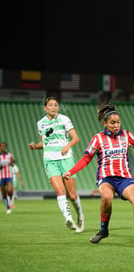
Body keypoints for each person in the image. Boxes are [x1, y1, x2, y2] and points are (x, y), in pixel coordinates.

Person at [63, 103, 134, 244]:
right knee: (106, 197)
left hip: (125, 178)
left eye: (118, 122)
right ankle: (103, 230)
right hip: (106, 178)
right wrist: (71, 171)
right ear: (105, 123)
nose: (116, 125)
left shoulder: (126, 135)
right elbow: (86, 159)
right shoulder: (97, 139)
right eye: (112, 123)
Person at [28, 96, 84, 232]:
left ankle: (80, 216)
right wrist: (35, 146)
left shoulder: (64, 119)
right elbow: (44, 143)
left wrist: (67, 146)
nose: (54, 107)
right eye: (51, 105)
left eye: (56, 105)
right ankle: (68, 218)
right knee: (60, 191)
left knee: (72, 194)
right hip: (50, 160)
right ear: (45, 108)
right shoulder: (40, 123)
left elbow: (75, 138)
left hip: (66, 159)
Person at [0, 142, 14, 214]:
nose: (3, 147)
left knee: (9, 190)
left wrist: (11, 163)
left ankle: (11, 197)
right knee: (3, 193)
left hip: (8, 175)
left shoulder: (9, 155)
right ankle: (8, 207)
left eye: (4, 146)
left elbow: (12, 162)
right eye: (2, 146)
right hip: (1, 176)